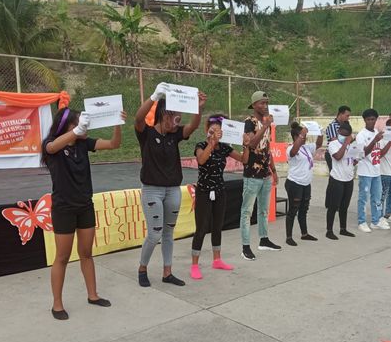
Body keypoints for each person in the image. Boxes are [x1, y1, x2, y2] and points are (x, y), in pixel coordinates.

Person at [42, 107, 123, 320]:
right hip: (64, 208)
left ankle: (93, 295)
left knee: (86, 253)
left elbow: (114, 144)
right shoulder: (52, 144)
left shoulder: (83, 144)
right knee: (62, 257)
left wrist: (117, 122)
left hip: (85, 205)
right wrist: (77, 130)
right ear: (68, 125)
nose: (85, 127)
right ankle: (57, 304)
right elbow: (51, 147)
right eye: (79, 123)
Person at [135, 82, 207, 287]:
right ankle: (142, 268)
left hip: (173, 189)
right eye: (172, 115)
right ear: (162, 114)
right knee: (154, 233)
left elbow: (192, 126)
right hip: (152, 190)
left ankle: (167, 272)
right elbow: (138, 119)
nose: (175, 121)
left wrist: (198, 108)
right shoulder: (147, 134)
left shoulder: (174, 135)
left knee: (168, 232)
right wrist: (154, 96)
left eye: (178, 116)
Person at [190, 115, 250, 280]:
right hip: (204, 191)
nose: (216, 132)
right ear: (207, 130)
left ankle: (217, 259)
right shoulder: (201, 145)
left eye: (219, 129)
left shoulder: (224, 148)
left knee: (217, 226)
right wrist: (211, 143)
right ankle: (194, 264)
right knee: (201, 228)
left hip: (219, 191)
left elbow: (244, 159)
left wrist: (246, 145)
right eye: (213, 129)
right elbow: (201, 160)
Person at [240, 91, 281, 261]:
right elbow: (251, 144)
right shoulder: (249, 122)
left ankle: (264, 240)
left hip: (265, 173)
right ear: (254, 105)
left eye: (267, 103)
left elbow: (267, 149)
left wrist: (274, 170)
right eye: (262, 103)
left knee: (264, 210)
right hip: (252, 173)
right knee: (247, 211)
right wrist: (264, 126)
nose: (265, 106)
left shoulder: (266, 124)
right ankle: (245, 247)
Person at [285, 122, 323, 245]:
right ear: (296, 137)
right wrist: (302, 135)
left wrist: (320, 132)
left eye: (305, 136)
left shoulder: (306, 148)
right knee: (293, 210)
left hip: (306, 183)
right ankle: (289, 237)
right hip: (294, 183)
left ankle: (304, 234)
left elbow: (318, 144)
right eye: (302, 136)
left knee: (304, 209)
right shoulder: (290, 148)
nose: (304, 138)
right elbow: (293, 152)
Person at [355, 109, 391, 233]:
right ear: (364, 120)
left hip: (376, 171)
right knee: (363, 198)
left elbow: (378, 153)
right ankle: (361, 222)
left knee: (377, 198)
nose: (371, 121)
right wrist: (374, 140)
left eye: (373, 119)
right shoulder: (361, 135)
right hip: (365, 172)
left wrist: (388, 143)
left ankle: (375, 221)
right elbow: (362, 153)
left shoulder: (376, 132)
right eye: (368, 119)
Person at [325, 122, 357, 239]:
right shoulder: (333, 144)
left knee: (344, 206)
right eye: (342, 134)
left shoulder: (351, 145)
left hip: (348, 178)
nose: (343, 136)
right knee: (333, 206)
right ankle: (329, 230)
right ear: (338, 132)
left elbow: (353, 160)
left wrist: (357, 157)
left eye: (346, 135)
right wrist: (346, 143)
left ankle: (343, 229)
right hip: (337, 179)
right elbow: (338, 157)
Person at [324, 105, 351, 170]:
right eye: (347, 116)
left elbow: (350, 139)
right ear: (341, 114)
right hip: (333, 153)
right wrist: (347, 141)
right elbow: (335, 142)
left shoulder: (345, 125)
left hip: (343, 151)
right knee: (335, 173)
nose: (348, 118)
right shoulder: (332, 126)